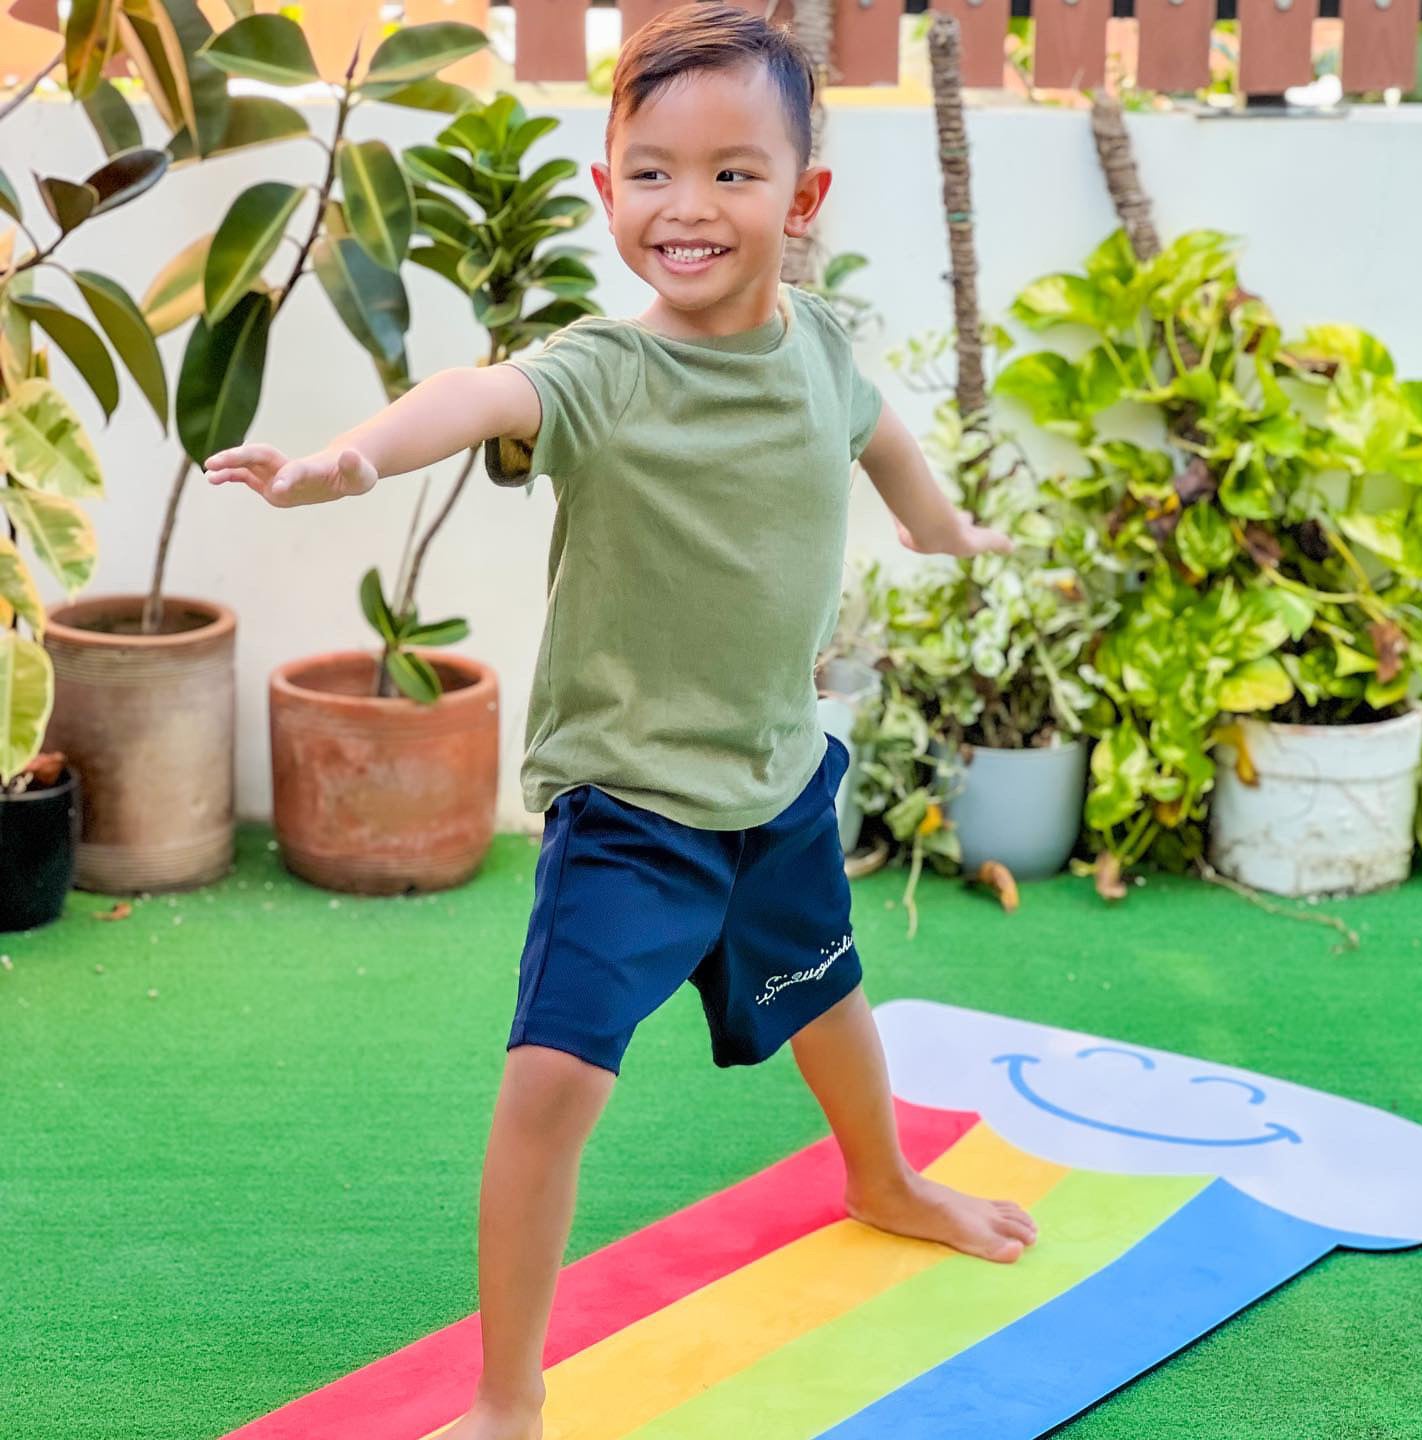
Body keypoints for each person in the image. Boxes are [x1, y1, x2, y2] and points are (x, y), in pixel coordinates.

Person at [204, 7, 1034, 1437]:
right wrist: (343, 462)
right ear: (605, 191)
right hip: (629, 815)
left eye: (732, 173)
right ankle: (510, 1400)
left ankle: (881, 1178)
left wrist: (947, 530)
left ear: (802, 198)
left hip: (775, 787)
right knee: (549, 1088)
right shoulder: (605, 370)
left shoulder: (822, 348)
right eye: (650, 172)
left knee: (829, 1000)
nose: (688, 208)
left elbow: (878, 430)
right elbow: (477, 395)